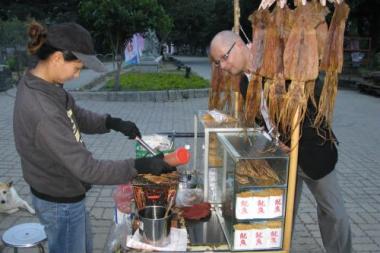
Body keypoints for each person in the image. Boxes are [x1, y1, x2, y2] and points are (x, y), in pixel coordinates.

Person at [13, 21, 175, 253]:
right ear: (57, 58)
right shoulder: (42, 109)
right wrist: (140, 165)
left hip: (65, 193)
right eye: (77, 67)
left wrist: (111, 123)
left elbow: (75, 114)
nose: (78, 75)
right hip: (59, 201)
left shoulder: (47, 84)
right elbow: (87, 168)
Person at [209, 30, 352, 253]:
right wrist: (270, 142)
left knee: (334, 214)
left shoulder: (276, 64)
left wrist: (293, 139)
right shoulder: (245, 83)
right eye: (218, 63)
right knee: (282, 215)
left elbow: (312, 102)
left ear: (238, 45)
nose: (223, 66)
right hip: (282, 156)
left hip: (313, 152)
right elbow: (262, 118)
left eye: (223, 58)